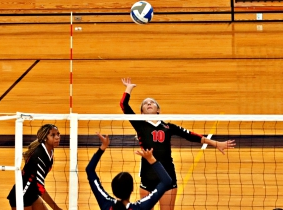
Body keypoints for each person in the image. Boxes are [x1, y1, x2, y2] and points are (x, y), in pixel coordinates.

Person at [120, 78, 236, 210]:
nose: (149, 103)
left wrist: (216, 143)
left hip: (168, 175)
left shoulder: (169, 127)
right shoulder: (139, 125)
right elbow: (124, 105)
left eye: (152, 102)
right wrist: (128, 88)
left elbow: (192, 136)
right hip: (148, 177)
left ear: (158, 110)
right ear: (141, 112)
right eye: (145, 103)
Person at [85, 132, 173, 210]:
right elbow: (167, 181)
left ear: (113, 189)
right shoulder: (140, 207)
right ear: (132, 189)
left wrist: (102, 148)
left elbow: (89, 170)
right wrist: (151, 159)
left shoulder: (106, 204)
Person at [7, 124, 63, 210]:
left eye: (58, 134)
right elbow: (40, 187)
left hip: (32, 193)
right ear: (45, 138)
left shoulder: (49, 151)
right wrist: (56, 208)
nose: (57, 137)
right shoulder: (38, 157)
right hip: (22, 196)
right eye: (53, 135)